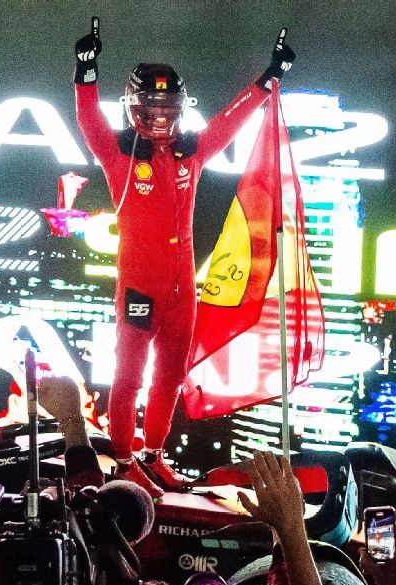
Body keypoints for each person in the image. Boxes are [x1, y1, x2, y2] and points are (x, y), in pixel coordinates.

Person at [73, 17, 295, 496]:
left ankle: (154, 454)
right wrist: (85, 73)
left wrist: (268, 79)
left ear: (180, 109)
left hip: (181, 292)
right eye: (150, 106)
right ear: (133, 108)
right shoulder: (120, 156)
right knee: (128, 376)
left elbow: (230, 122)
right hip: (138, 289)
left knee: (170, 377)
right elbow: (89, 121)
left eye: (167, 106)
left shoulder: (191, 152)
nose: (158, 116)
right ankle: (124, 459)